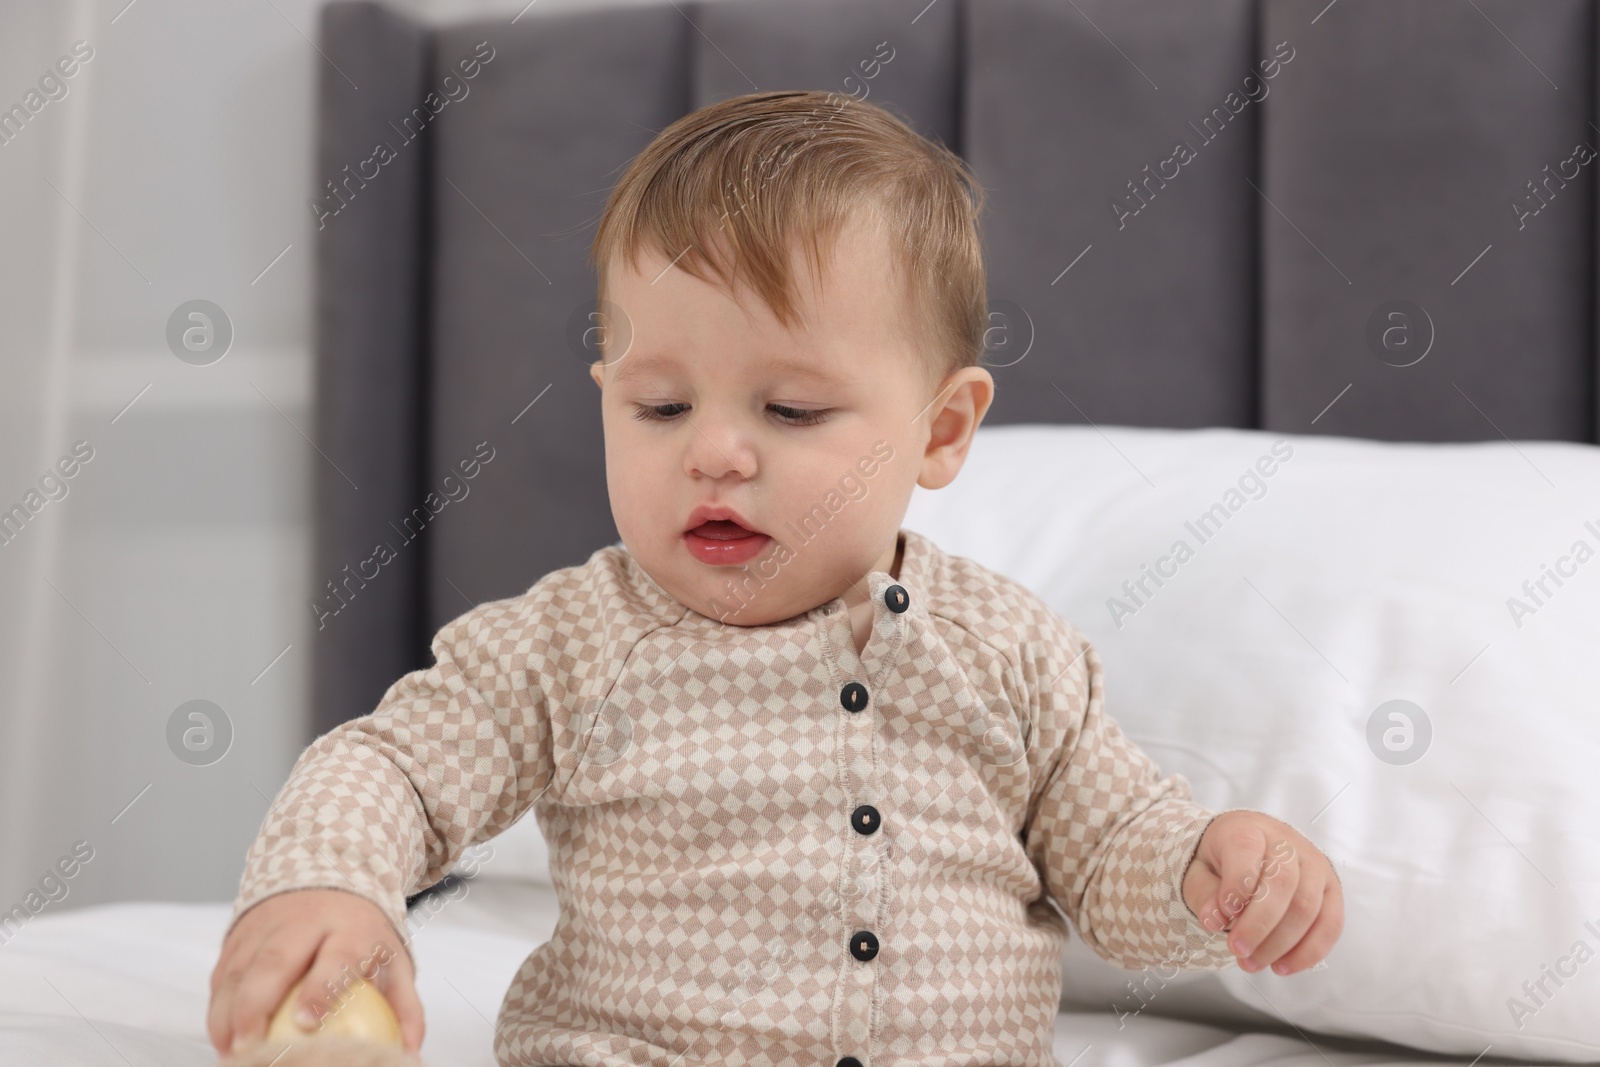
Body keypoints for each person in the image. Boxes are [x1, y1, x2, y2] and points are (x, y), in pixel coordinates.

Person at [208, 88, 1343, 1066]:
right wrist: (336, 882)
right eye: (658, 406)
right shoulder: (567, 643)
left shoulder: (1008, 653)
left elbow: (1111, 850)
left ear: (942, 429)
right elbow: (394, 766)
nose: (711, 451)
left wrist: (1207, 870)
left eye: (790, 409)